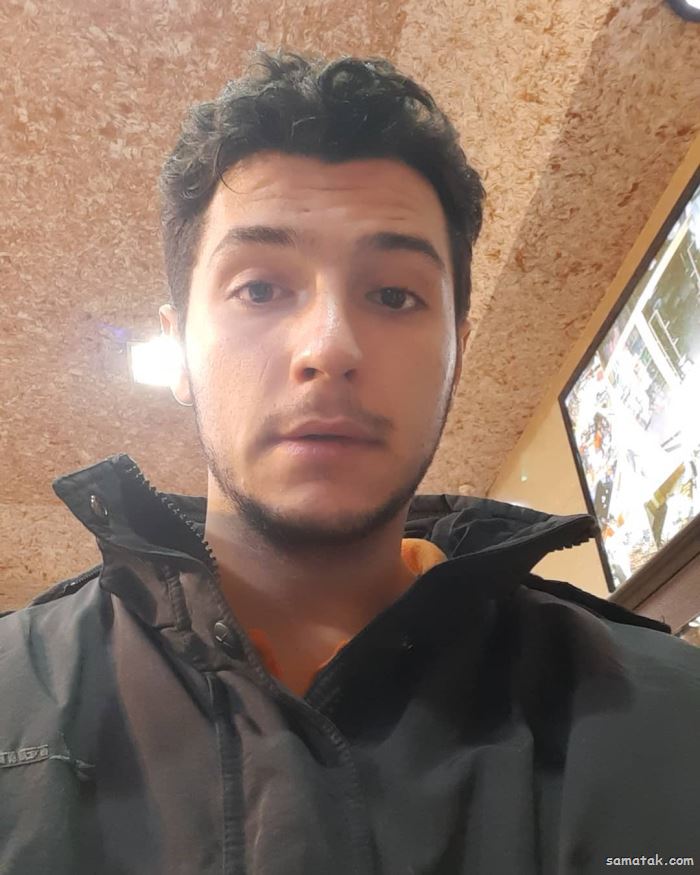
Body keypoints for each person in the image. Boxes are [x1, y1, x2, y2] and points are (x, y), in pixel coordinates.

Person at [1, 48, 698, 875]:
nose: (329, 347)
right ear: (179, 348)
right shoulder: (15, 697)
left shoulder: (670, 718)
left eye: (394, 295)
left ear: (456, 353)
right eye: (260, 289)